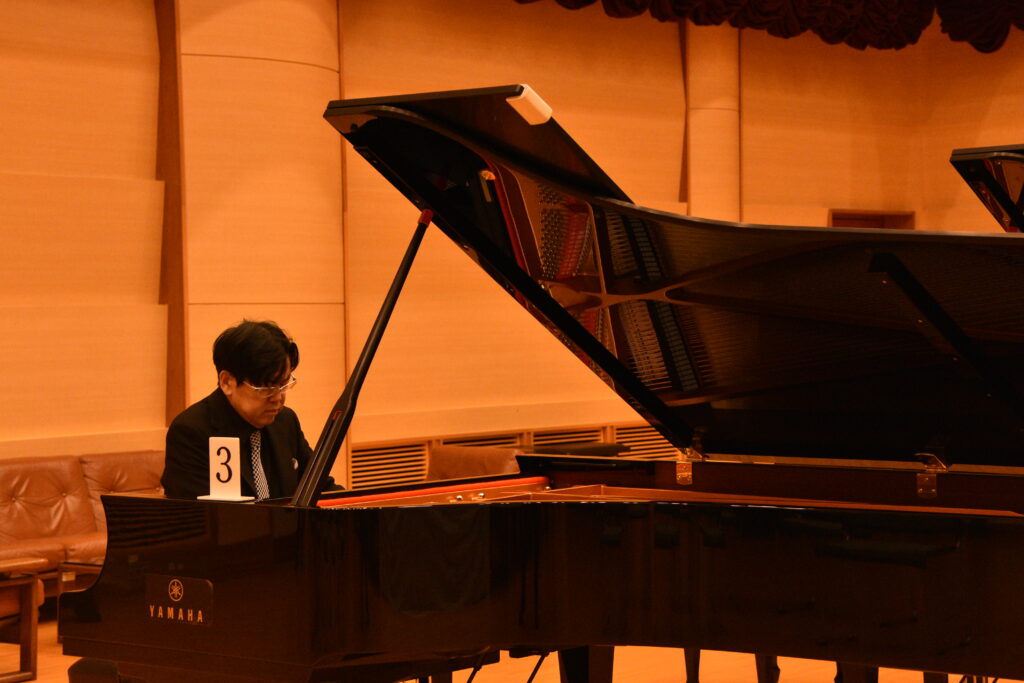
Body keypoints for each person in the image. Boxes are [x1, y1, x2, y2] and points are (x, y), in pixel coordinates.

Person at [161, 319, 325, 500]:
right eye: (266, 387)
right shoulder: (191, 432)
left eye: (283, 384)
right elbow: (199, 513)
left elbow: (322, 488)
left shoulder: (286, 422)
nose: (278, 398)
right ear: (227, 382)